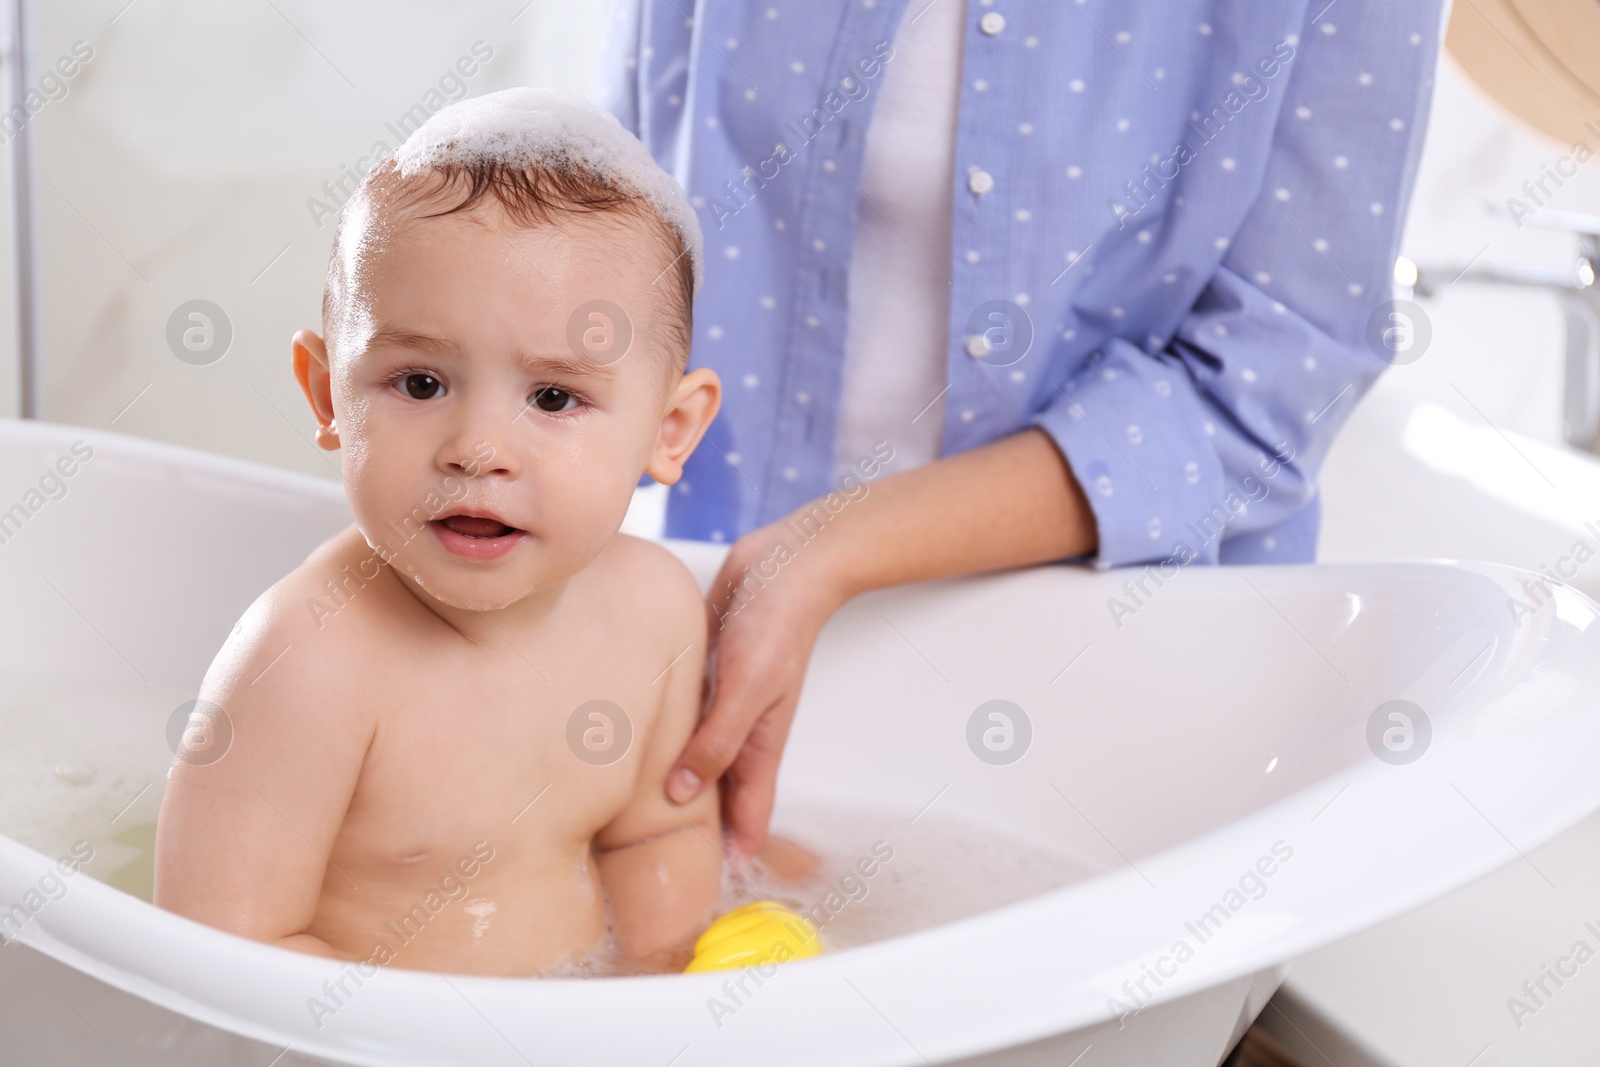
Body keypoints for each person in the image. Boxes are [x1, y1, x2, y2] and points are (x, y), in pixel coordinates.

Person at [597, 0, 1446, 858]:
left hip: (1120, 683)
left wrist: (832, 548)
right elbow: (626, 238)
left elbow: (1273, 385)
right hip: (722, 618)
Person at [152, 88, 731, 976]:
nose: (479, 449)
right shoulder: (306, 662)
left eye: (553, 397)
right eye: (420, 383)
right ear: (328, 395)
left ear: (670, 429)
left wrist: (667, 982)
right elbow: (217, 961)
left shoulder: (655, 612)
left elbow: (658, 833)